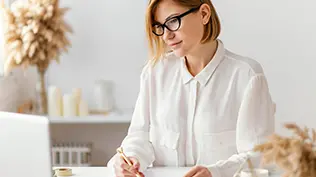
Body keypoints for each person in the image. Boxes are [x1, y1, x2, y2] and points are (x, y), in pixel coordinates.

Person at [107, 0, 275, 177]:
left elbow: (260, 156)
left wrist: (214, 172)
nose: (166, 36)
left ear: (204, 14)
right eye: (160, 26)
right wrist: (131, 158)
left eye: (173, 21)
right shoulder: (154, 72)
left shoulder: (246, 75)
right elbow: (139, 136)